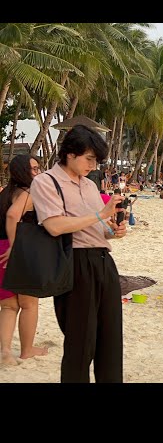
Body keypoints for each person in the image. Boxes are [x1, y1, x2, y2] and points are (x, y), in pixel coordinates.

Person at [29, 124, 128, 383]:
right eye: (90, 159)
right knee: (80, 343)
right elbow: (54, 225)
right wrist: (100, 214)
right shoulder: (46, 181)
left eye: (96, 160)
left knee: (110, 340)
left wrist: (113, 229)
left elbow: (100, 227)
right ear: (70, 153)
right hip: (75, 263)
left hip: (104, 262)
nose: (93, 166)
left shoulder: (90, 186)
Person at [0, 155, 49, 365]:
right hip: (18, 250)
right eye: (34, 169)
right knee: (29, 304)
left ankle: (5, 350)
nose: (37, 172)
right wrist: (14, 245)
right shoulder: (29, 193)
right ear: (23, 171)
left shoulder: (5, 192)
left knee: (9, 306)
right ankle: (27, 350)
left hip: (0, 248)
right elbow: (13, 216)